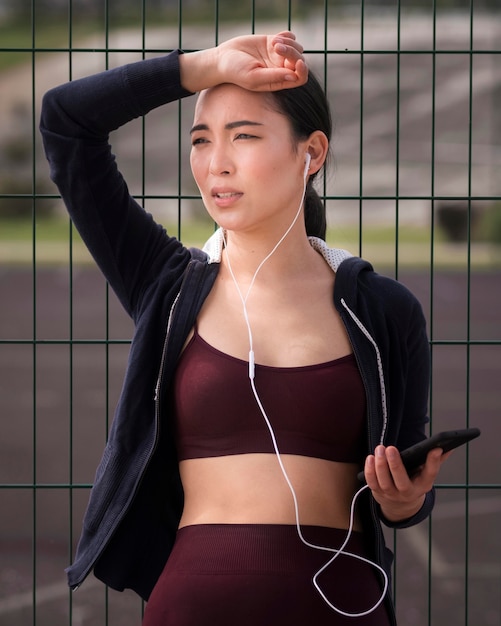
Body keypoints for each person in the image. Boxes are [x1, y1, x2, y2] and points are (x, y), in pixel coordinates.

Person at [40, 31, 449, 625]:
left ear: (311, 153)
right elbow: (66, 122)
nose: (216, 163)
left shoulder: (385, 309)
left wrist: (408, 498)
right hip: (194, 606)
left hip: (341, 607)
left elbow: (407, 488)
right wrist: (201, 67)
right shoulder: (167, 284)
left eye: (244, 136)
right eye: (201, 140)